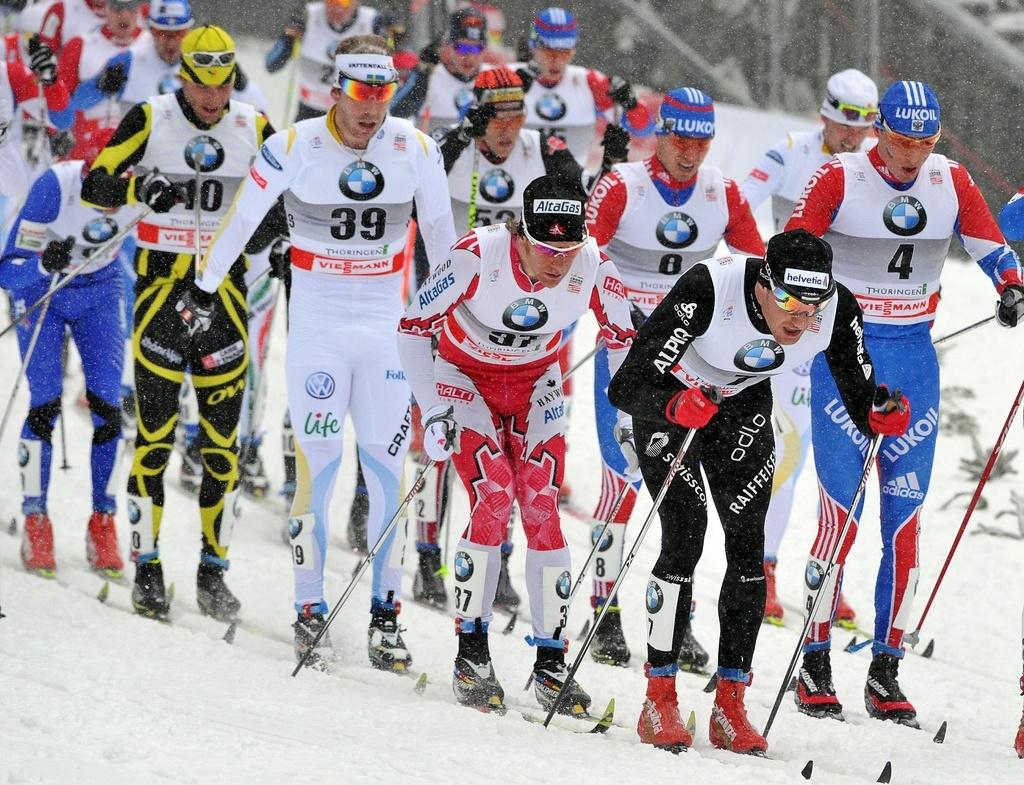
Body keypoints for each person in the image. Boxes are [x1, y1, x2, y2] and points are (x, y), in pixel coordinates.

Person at [198, 34, 455, 672]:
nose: (372, 108)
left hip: (384, 333)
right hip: (316, 330)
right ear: (336, 90)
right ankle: (309, 608)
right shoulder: (292, 147)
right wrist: (201, 292)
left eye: (384, 93)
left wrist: (443, 323)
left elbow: (447, 255)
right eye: (361, 93)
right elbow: (235, 227)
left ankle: (386, 616)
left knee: (388, 474)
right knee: (318, 471)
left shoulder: (416, 149)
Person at [608, 229, 907, 754]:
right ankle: (659, 698)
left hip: (742, 408)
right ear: (765, 284)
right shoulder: (710, 287)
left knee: (748, 552)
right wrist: (676, 406)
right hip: (672, 399)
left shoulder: (834, 308)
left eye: (813, 307)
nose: (801, 318)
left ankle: (730, 704)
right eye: (791, 301)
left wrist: (880, 410)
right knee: (686, 534)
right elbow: (628, 384)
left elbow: (860, 391)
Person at [787, 80, 1023, 726]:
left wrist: (1009, 284)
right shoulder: (840, 176)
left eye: (924, 142)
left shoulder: (950, 179)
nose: (912, 156)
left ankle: (886, 670)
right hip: (847, 361)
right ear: (878, 132)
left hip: (915, 360)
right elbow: (791, 248)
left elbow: (989, 243)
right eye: (900, 141)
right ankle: (815, 659)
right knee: (840, 515)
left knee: (906, 522)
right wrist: (799, 305)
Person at [396, 174, 635, 715]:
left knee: (544, 509)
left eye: (570, 249)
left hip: (535, 385)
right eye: (548, 249)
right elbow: (413, 328)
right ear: (520, 234)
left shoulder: (594, 264)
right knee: (495, 496)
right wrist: (432, 406)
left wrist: (626, 415)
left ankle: (552, 663)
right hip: (464, 377)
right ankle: (471, 655)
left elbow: (625, 340)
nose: (559, 263)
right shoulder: (477, 255)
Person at [406, 66, 629, 611]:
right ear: (477, 114)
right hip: (457, 298)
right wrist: (462, 134)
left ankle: (499, 563)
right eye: (495, 117)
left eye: (515, 115)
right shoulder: (454, 148)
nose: (507, 129)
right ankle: (427, 557)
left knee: (515, 471)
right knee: (436, 449)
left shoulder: (544, 148)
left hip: (532, 302)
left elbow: (578, 200)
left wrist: (614, 162)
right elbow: (420, 189)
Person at [81, 24, 278, 622]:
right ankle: (147, 568)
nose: (212, 101)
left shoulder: (254, 126)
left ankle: (213, 574)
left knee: (222, 449)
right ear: (184, 78)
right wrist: (144, 183)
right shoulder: (151, 117)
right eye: (201, 87)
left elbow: (289, 203)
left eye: (221, 87)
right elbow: (95, 184)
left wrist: (274, 237)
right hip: (160, 299)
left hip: (226, 304)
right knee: (155, 444)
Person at [584, 87, 764, 668]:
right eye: (680, 139)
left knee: (680, 498)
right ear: (659, 136)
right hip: (629, 352)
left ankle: (676, 620)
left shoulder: (723, 192)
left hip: (694, 358)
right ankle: (604, 610)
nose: (690, 153)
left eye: (701, 141)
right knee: (623, 481)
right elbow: (585, 256)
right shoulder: (622, 185)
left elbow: (758, 267)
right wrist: (619, 312)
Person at [740, 68, 878, 626]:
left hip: (845, 326)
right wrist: (765, 277)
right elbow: (737, 201)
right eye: (844, 125)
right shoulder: (790, 151)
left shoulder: (871, 170)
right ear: (824, 115)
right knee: (786, 456)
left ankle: (829, 575)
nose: (851, 138)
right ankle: (766, 568)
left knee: (841, 456)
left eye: (861, 129)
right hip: (795, 324)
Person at [2, 156, 139, 580]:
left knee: (107, 404)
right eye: (104, 200)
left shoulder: (141, 188)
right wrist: (44, 262)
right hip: (44, 288)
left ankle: (103, 521)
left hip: (99, 288)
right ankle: (35, 519)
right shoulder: (54, 187)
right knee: (45, 402)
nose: (112, 210)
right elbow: (9, 272)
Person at [511, 7, 653, 167]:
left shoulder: (589, 82)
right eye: (548, 51)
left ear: (574, 50)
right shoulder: (509, 77)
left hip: (567, 186)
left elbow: (643, 130)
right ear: (533, 46)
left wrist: (631, 104)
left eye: (564, 52)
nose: (555, 60)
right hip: (516, 182)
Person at [264, 0, 383, 121]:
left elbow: (390, 72)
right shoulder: (307, 15)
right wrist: (288, 38)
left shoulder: (373, 21)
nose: (337, 8)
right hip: (309, 111)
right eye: (331, 1)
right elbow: (271, 65)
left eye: (344, 2)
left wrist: (398, 35)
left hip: (353, 114)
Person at [56, 0, 144, 163]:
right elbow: (61, 104)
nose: (124, 15)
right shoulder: (81, 44)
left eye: (131, 8)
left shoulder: (152, 45)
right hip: (89, 144)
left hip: (138, 142)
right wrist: (98, 86)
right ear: (106, 8)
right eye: (117, 8)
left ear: (140, 9)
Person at [389, 7, 488, 134]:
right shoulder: (430, 76)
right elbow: (395, 112)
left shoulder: (493, 79)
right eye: (462, 48)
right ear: (449, 46)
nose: (470, 56)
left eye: (476, 49)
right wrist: (420, 76)